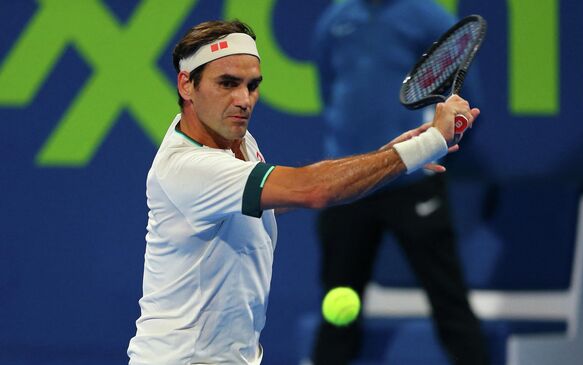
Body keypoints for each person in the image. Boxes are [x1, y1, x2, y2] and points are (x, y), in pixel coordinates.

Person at [127, 19, 478, 365]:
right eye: (227, 83)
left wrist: (389, 156)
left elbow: (272, 201)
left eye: (252, 85)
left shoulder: (233, 139)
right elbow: (312, 189)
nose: (243, 99)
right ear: (187, 85)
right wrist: (431, 142)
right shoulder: (188, 167)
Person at [310, 1, 490, 364]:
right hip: (349, 184)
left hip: (413, 181)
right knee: (337, 306)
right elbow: (329, 92)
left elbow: (470, 101)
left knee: (448, 300)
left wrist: (432, 148)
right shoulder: (335, 20)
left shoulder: (429, 16)